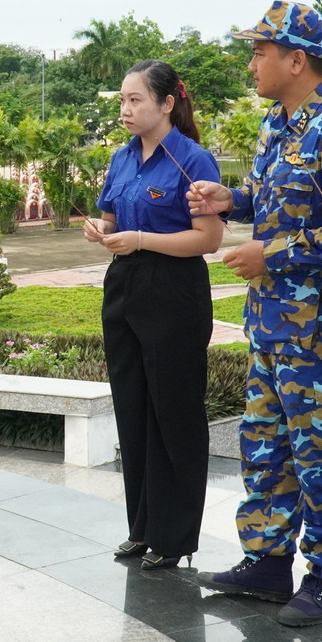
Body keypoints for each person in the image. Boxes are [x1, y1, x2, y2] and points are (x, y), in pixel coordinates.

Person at [187, 1, 322, 627]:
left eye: (259, 52)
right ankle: (267, 562)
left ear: (296, 59)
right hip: (273, 326)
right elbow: (284, 204)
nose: (252, 63)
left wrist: (269, 254)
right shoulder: (279, 124)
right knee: (266, 448)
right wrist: (234, 198)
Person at [83, 59, 224, 570]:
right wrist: (100, 234)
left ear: (167, 104)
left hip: (173, 288)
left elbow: (208, 238)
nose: (125, 109)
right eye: (122, 100)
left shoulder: (192, 160)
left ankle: (175, 535)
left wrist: (142, 239)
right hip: (124, 286)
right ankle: (141, 526)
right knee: (134, 406)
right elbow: (110, 219)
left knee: (175, 410)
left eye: (136, 99)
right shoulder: (122, 159)